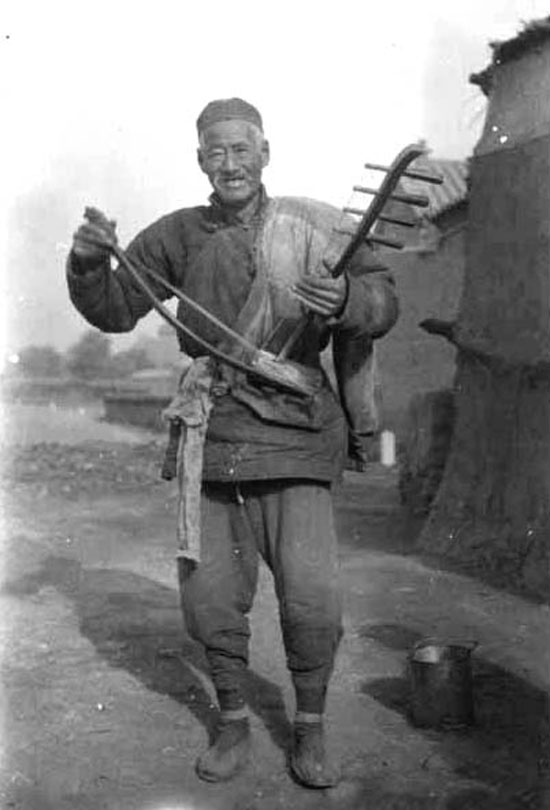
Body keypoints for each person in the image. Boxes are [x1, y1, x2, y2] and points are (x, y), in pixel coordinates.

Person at [67, 97, 398, 788]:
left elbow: (381, 299)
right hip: (212, 435)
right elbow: (114, 309)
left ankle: (310, 727)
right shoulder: (176, 236)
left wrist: (346, 301)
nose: (229, 164)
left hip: (295, 432)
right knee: (210, 597)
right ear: (200, 161)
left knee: (311, 596)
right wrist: (88, 262)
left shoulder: (314, 225)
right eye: (215, 152)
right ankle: (232, 720)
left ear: (264, 154)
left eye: (241, 149)